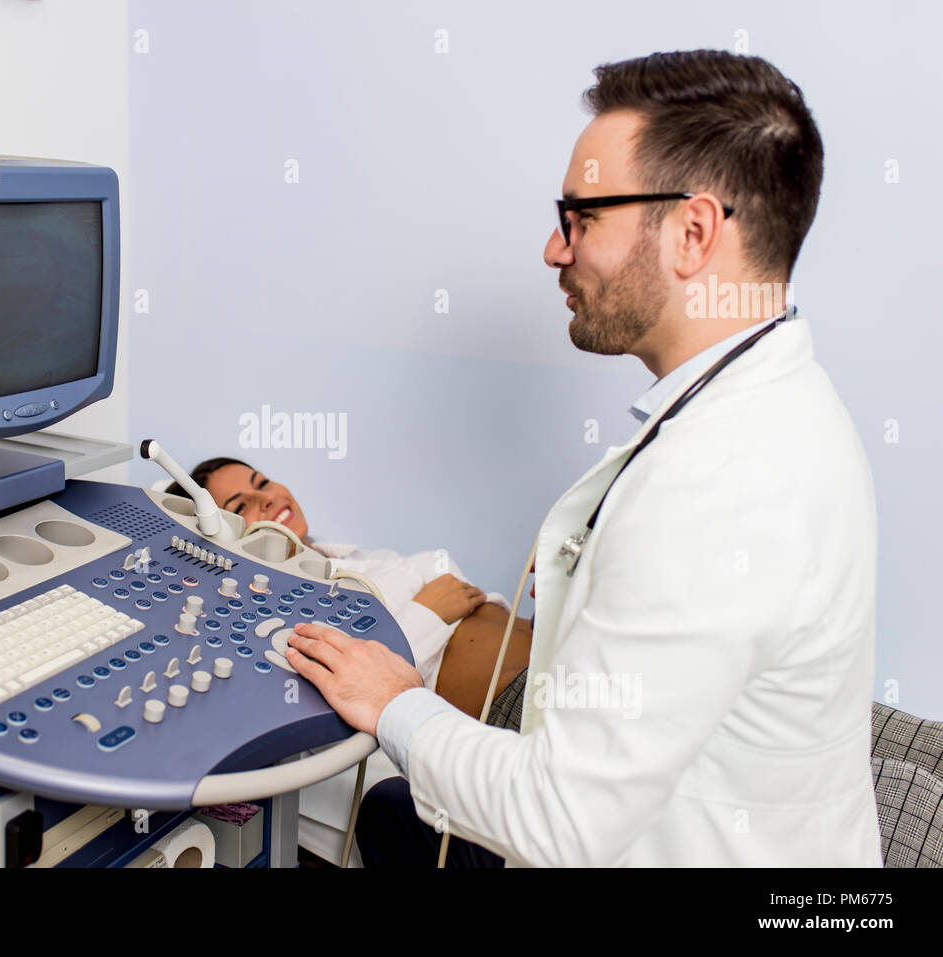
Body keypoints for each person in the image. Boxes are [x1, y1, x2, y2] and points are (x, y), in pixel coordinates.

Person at [283, 50, 883, 867]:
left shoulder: (726, 479)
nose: (553, 249)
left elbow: (560, 817)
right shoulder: (770, 403)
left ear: (694, 232)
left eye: (581, 217)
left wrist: (396, 704)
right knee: (396, 815)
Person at [165, 458, 533, 717]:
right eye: (241, 504)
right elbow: (343, 686)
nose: (267, 498)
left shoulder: (350, 559)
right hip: (523, 701)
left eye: (262, 483)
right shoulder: (276, 614)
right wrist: (429, 614)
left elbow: (446, 575)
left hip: (557, 648)